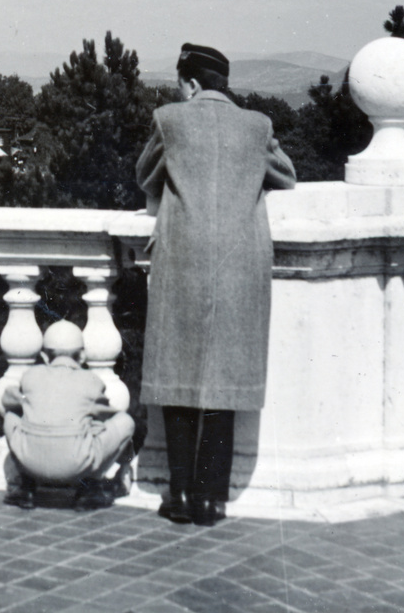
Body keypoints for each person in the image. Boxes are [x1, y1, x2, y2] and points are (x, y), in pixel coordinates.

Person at [136, 43, 295, 526]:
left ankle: (179, 495)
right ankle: (211, 499)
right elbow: (286, 177)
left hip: (182, 258)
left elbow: (146, 174)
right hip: (239, 264)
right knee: (224, 385)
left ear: (190, 83)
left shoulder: (170, 119)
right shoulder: (257, 125)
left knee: (179, 380)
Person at [1, 321, 136, 511]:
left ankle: (25, 486)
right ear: (82, 356)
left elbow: (8, 401)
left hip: (31, 462)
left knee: (12, 416)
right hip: (74, 465)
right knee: (125, 422)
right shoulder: (91, 381)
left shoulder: (31, 375)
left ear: (44, 357)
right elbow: (109, 417)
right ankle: (90, 488)